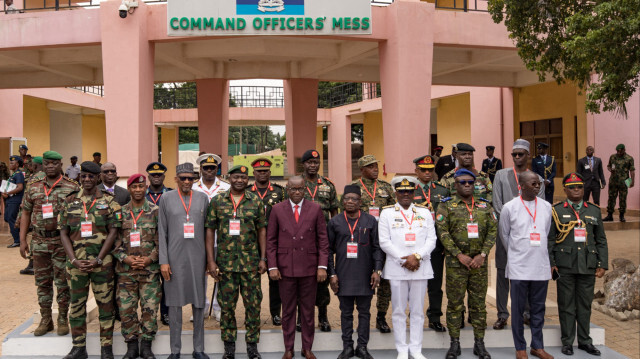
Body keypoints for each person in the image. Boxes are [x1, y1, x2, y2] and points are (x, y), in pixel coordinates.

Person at [59, 161, 122, 359]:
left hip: (102, 265)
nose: (86, 179)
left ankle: (106, 349)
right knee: (76, 306)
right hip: (76, 266)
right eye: (83, 176)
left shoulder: (111, 202)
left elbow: (113, 232)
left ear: (98, 178)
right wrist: (73, 259)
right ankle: (78, 348)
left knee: (106, 307)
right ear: (79, 177)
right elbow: (63, 233)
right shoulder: (69, 201)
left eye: (91, 176)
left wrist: (99, 259)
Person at [205, 165, 267, 359]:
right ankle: (229, 347)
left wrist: (263, 258)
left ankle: (252, 346)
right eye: (236, 177)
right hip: (225, 264)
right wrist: (211, 262)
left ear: (247, 179)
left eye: (243, 177)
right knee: (227, 306)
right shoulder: (217, 201)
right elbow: (209, 231)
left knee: (253, 305)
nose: (239, 180)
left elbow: (262, 230)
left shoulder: (256, 201)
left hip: (250, 264)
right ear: (228, 178)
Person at [266, 176, 329, 359]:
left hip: (309, 268)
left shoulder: (315, 209)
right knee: (287, 310)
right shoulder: (277, 209)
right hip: (285, 269)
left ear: (305, 190)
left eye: (300, 189)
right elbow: (271, 241)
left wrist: (322, 266)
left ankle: (307, 348)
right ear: (287, 189)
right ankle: (289, 348)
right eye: (293, 189)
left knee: (308, 310)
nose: (296, 192)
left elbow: (323, 240)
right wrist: (273, 267)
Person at [436, 169, 496, 359]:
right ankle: (455, 344)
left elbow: (493, 231)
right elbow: (442, 233)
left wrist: (483, 254)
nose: (467, 185)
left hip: (479, 265)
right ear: (456, 185)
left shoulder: (485, 206)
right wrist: (458, 254)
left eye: (470, 182)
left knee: (478, 305)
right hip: (456, 264)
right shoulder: (446, 206)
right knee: (455, 304)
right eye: (463, 182)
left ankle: (480, 343)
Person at [549, 173, 608, 357]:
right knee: (566, 304)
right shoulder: (556, 210)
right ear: (565, 189)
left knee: (584, 305)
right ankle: (567, 342)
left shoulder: (594, 210)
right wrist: (551, 263)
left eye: (579, 187)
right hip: (565, 265)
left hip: (588, 264)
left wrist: (602, 264)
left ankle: (584, 341)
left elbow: (601, 240)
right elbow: (550, 240)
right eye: (572, 187)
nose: (576, 190)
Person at [19, 151, 78, 336]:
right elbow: (26, 213)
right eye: (47, 163)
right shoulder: (33, 187)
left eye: (54, 163)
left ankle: (62, 318)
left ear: (61, 165)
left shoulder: (72, 187)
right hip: (39, 241)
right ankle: (46, 320)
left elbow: (78, 216)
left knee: (62, 283)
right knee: (42, 282)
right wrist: (22, 240)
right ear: (43, 165)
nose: (50, 166)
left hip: (61, 242)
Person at [378, 176, 437, 359]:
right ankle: (402, 349)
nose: (405, 194)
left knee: (418, 311)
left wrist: (417, 257)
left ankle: (416, 349)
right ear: (396, 192)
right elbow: (384, 241)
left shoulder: (425, 212)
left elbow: (431, 239)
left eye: (409, 191)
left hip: (420, 267)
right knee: (398, 310)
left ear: (414, 193)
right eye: (402, 191)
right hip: (397, 268)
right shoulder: (386, 213)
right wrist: (403, 259)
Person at [491, 139, 545, 330]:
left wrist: (524, 230)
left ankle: (526, 313)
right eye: (514, 154)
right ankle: (502, 314)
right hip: (505, 234)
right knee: (502, 273)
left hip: (528, 236)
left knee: (527, 274)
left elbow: (539, 207)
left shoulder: (537, 177)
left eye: (521, 154)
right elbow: (497, 205)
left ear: (528, 155)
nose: (517, 157)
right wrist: (509, 231)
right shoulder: (501, 175)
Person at [499, 171, 553, 359]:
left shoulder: (546, 207)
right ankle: (520, 347)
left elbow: (545, 232)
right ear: (520, 186)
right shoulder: (509, 207)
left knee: (538, 309)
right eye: (533, 184)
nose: (537, 186)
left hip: (540, 267)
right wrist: (517, 252)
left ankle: (537, 346)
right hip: (519, 267)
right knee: (518, 309)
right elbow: (504, 235)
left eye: (538, 184)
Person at [158, 163, 210, 359]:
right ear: (176, 179)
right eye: (183, 178)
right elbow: (162, 232)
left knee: (198, 305)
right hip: (173, 260)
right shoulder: (166, 199)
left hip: (198, 260)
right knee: (174, 306)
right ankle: (175, 350)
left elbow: (208, 232)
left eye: (190, 178)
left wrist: (209, 260)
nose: (187, 181)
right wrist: (163, 261)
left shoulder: (203, 198)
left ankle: (198, 349)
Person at [328, 185, 381, 359]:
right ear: (342, 201)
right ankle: (348, 347)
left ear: (361, 202)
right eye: (347, 199)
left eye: (354, 199)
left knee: (365, 313)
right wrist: (332, 273)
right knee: (346, 313)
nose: (350, 202)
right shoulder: (335, 221)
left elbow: (377, 248)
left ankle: (363, 347)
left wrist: (377, 270)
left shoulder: (370, 221)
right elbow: (327, 250)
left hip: (365, 275)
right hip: (343, 275)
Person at [113, 174, 160, 359]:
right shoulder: (120, 212)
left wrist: (150, 258)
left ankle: (146, 346)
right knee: (126, 310)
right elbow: (113, 241)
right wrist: (125, 259)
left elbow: (162, 240)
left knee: (150, 308)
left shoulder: (156, 211)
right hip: (126, 272)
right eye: (134, 187)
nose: (138, 190)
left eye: (141, 187)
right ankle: (131, 346)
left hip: (150, 271)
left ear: (146, 187)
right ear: (129, 189)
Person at [351, 154, 394, 334]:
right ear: (362, 170)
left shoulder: (385, 187)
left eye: (376, 166)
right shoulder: (354, 188)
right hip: (363, 241)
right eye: (370, 167)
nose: (375, 169)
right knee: (363, 279)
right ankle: (364, 317)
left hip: (383, 239)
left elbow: (394, 211)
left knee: (385, 280)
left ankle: (381, 317)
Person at [300, 149, 338, 332]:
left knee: (322, 277)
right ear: (304, 164)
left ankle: (322, 316)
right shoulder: (297, 184)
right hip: (301, 239)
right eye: (310, 162)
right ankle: (302, 317)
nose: (313, 166)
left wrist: (335, 236)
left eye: (316, 163)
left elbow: (334, 212)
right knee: (301, 277)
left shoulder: (328, 185)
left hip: (323, 239)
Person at [412, 155, 450, 332]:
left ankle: (434, 317)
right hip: (415, 245)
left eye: (430, 170)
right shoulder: (409, 190)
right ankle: (414, 318)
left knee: (435, 285)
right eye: (423, 170)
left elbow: (447, 219)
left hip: (436, 246)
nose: (427, 173)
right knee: (415, 285)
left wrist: (445, 245)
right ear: (416, 171)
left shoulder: (442, 190)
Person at [248, 158, 286, 326]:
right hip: (250, 242)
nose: (262, 174)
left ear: (270, 173)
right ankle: (252, 313)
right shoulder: (248, 192)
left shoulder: (280, 192)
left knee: (275, 278)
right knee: (251, 279)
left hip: (275, 241)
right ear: (253, 173)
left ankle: (275, 313)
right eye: (259, 171)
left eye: (265, 171)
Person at [193, 153, 230, 322]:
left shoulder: (225, 186)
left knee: (219, 274)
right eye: (206, 168)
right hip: (198, 239)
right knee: (200, 275)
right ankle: (200, 306)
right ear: (201, 169)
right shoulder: (193, 187)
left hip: (220, 238)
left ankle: (217, 307)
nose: (209, 171)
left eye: (212, 168)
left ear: (217, 169)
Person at [145, 161, 173, 326]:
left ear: (164, 176)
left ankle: (166, 312)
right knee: (149, 282)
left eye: (159, 175)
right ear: (148, 176)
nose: (156, 177)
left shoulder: (170, 194)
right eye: (153, 175)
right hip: (147, 244)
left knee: (167, 281)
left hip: (167, 244)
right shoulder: (142, 194)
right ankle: (149, 315)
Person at [604, 144, 635, 222]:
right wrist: (611, 169)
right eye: (617, 151)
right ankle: (609, 215)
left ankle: (622, 215)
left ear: (624, 150)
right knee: (611, 198)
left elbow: (632, 170)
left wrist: (632, 181)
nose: (619, 153)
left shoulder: (629, 158)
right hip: (613, 181)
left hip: (624, 182)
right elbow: (608, 166)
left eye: (620, 151)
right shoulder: (612, 157)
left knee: (623, 199)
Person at [3, 155, 25, 248]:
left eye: (12, 163)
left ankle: (17, 240)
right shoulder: (13, 174)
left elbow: (20, 187)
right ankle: (18, 236)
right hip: (10, 200)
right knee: (7, 218)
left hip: (15, 200)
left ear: (17, 164)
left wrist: (8, 192)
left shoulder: (19, 174)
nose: (10, 164)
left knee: (12, 219)